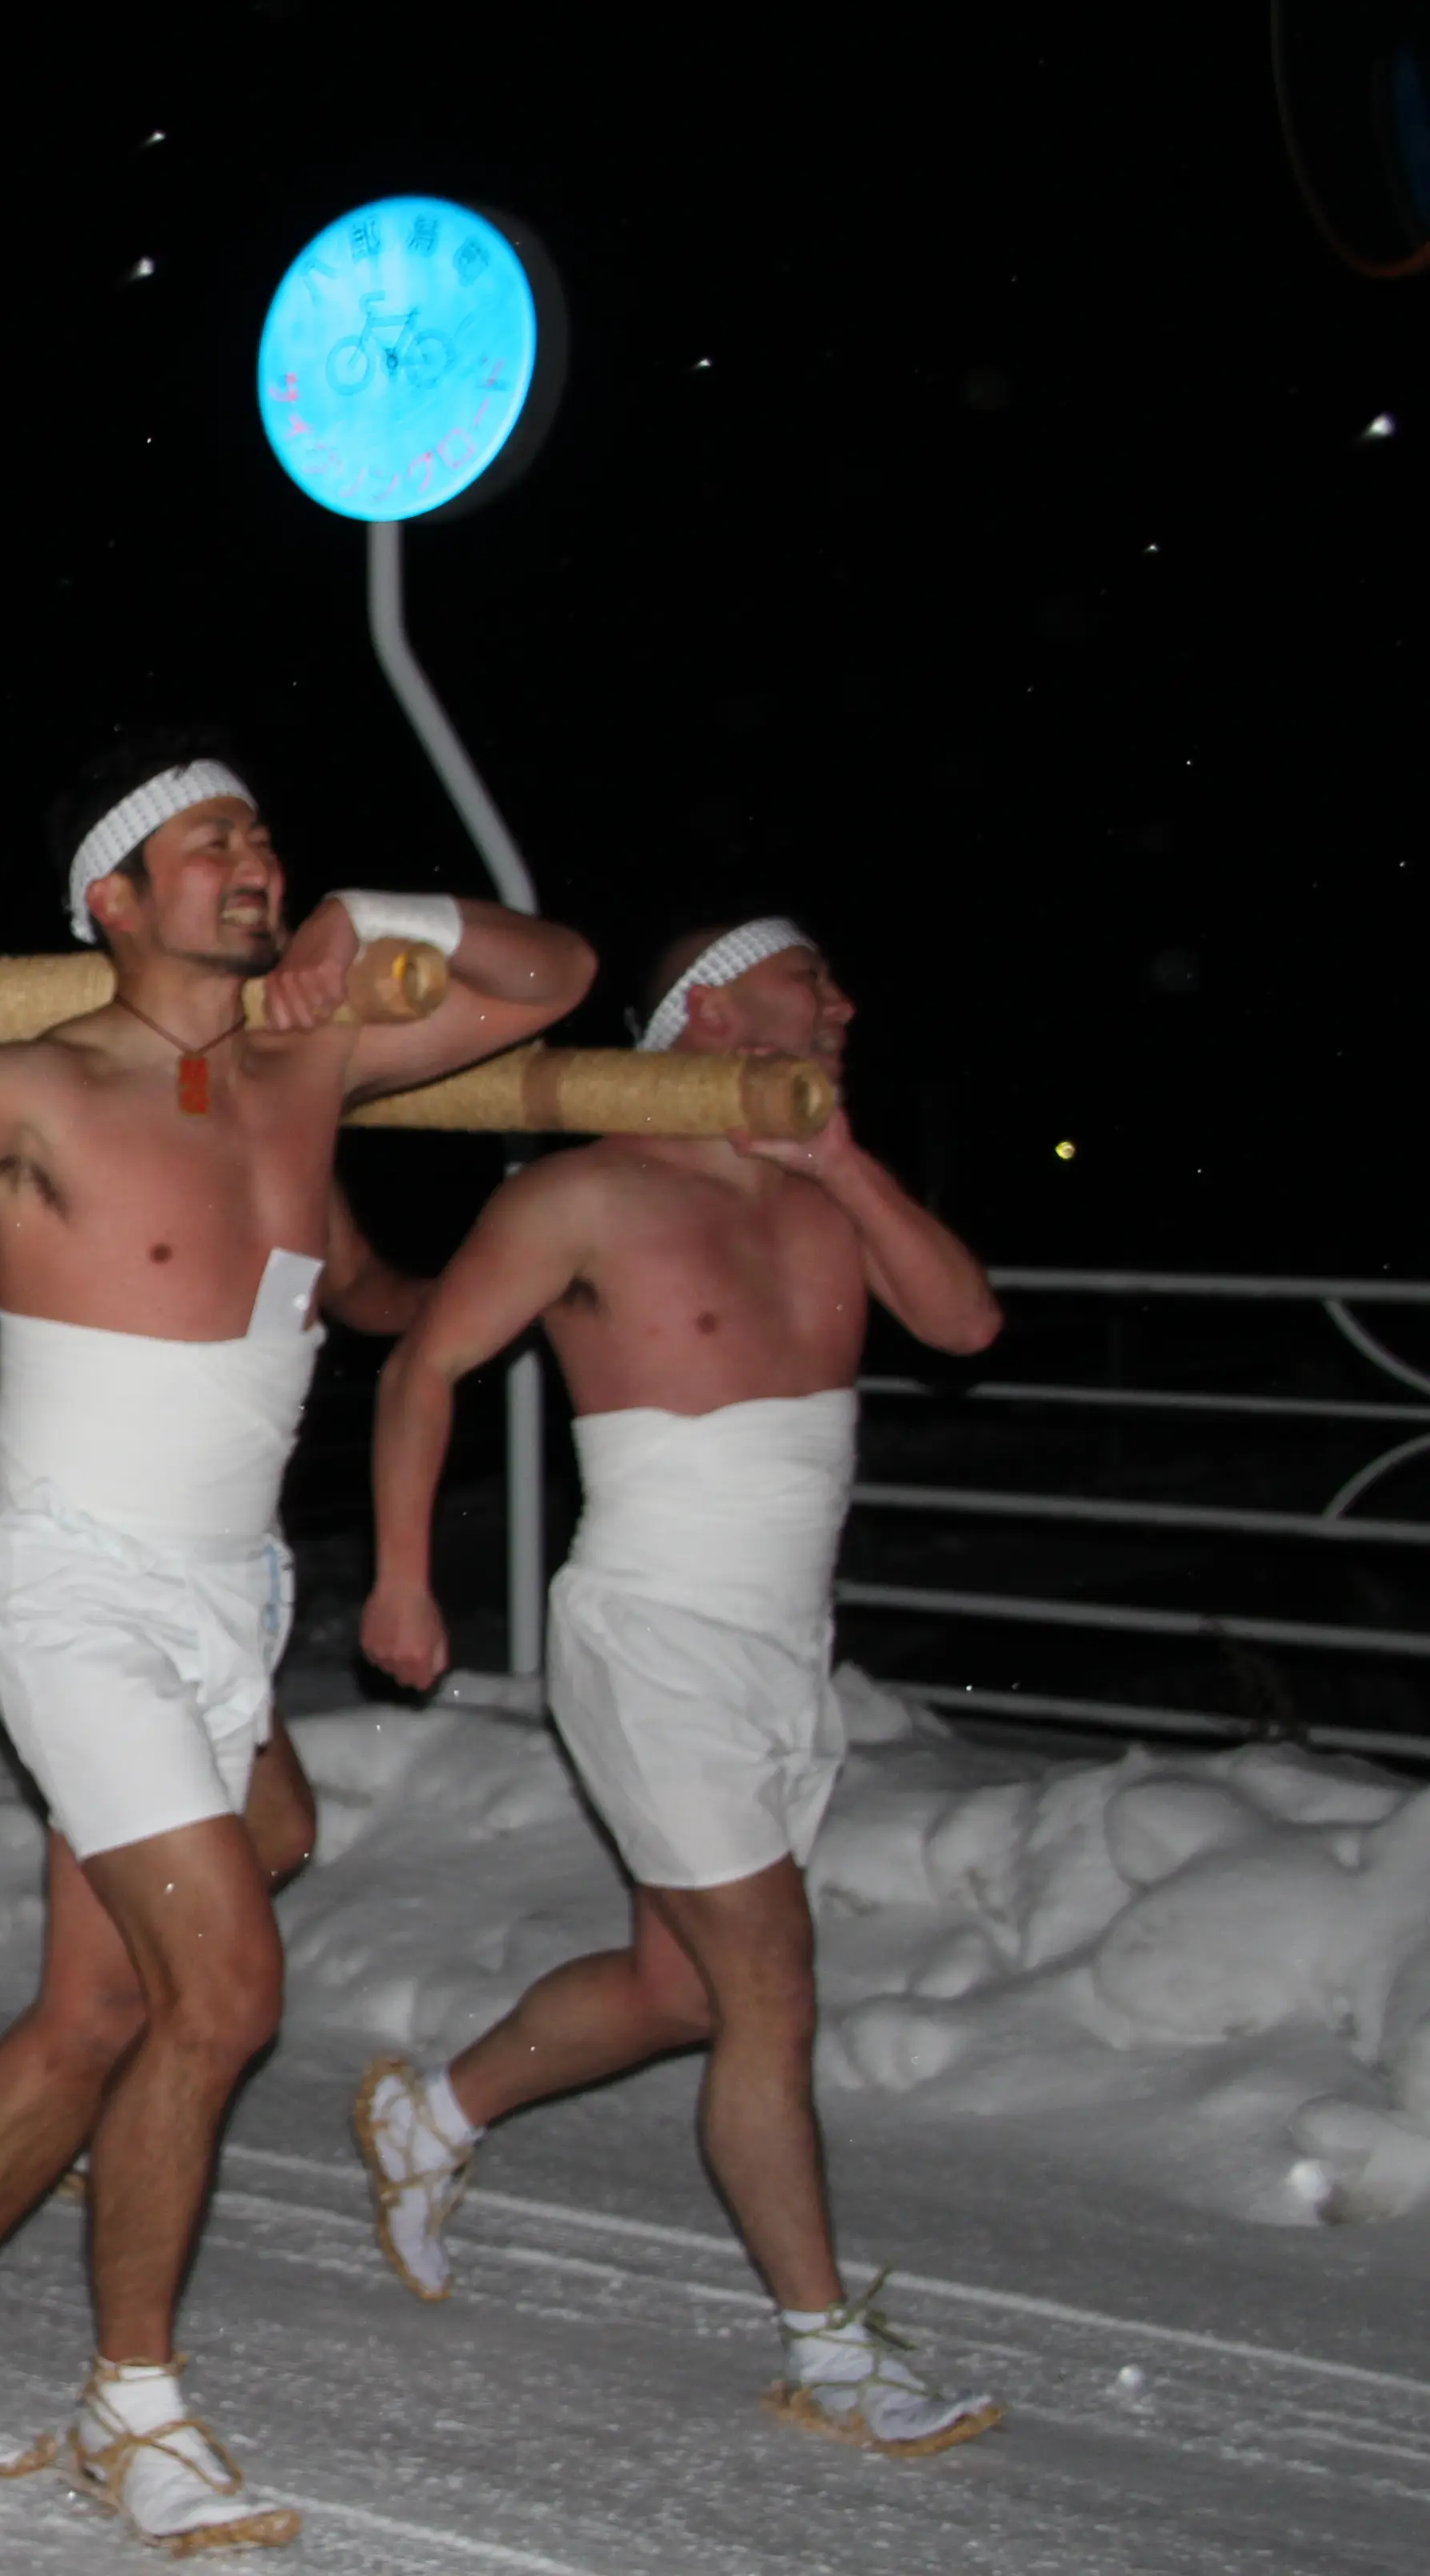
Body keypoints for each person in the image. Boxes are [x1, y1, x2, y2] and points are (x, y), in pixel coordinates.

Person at [0, 749, 589, 2548]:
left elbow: (561, 974)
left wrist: (377, 919)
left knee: (96, 2009)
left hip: (231, 1595)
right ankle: (135, 2405)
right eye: (204, 843)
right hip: (70, 1584)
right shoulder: (32, 1085)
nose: (252, 859)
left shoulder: (315, 1058)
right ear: (113, 904)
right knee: (225, 1994)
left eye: (262, 838)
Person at [355, 918, 1008, 2458]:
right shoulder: (581, 1191)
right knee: (768, 1988)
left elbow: (964, 1323)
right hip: (647, 1639)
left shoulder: (820, 1196)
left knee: (679, 1987)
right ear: (707, 1006)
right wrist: (398, 1572)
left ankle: (429, 2114)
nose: (839, 999)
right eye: (808, 977)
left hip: (783, 1653)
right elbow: (421, 1366)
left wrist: (843, 1163)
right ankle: (823, 2343)